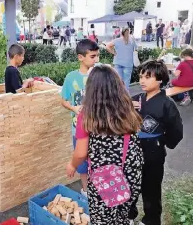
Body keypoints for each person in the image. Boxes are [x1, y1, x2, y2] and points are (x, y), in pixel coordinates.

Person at [66, 65, 143, 224]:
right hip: (131, 170)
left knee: (103, 219)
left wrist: (72, 165)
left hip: (104, 177)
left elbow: (81, 152)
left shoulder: (87, 115)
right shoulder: (127, 109)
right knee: (122, 215)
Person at [130, 60, 183, 225]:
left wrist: (162, 142)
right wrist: (126, 106)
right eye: (140, 77)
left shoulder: (167, 104)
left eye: (148, 77)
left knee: (151, 187)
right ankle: (129, 215)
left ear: (160, 79)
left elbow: (176, 131)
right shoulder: (135, 99)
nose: (142, 81)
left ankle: (150, 220)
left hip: (154, 151)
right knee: (130, 182)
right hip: (132, 148)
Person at [61, 39, 100, 197]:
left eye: (97, 56)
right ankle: (86, 190)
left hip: (98, 129)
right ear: (80, 57)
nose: (96, 60)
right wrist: (73, 108)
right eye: (92, 56)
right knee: (82, 163)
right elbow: (63, 100)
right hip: (78, 128)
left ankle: (99, 189)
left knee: (97, 161)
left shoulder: (99, 75)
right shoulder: (71, 78)